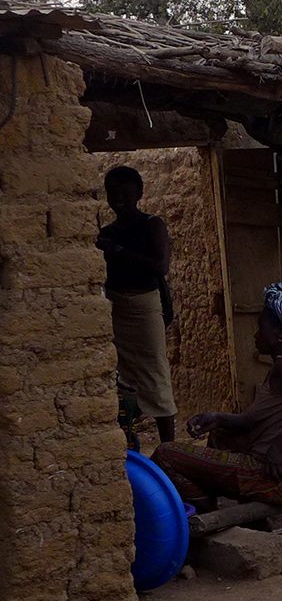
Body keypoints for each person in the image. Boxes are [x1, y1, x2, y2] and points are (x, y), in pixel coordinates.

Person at [154, 283, 282, 508]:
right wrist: (217, 418)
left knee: (165, 454)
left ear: (279, 333)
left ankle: (206, 513)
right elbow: (251, 421)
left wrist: (280, 446)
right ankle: (246, 519)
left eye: (260, 328)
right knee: (220, 436)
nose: (256, 335)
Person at [97, 166, 177, 443]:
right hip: (116, 307)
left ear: (139, 194)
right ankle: (128, 441)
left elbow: (160, 267)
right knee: (122, 378)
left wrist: (117, 252)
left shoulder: (151, 224)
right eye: (112, 192)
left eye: (125, 192)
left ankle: (169, 447)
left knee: (156, 372)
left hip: (144, 307)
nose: (118, 198)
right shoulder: (107, 233)